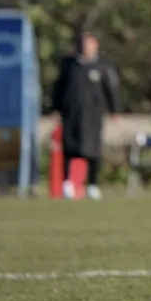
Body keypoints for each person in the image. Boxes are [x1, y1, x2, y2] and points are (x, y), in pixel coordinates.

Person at [51, 29, 120, 200]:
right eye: (83, 43)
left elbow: (111, 90)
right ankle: (67, 184)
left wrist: (115, 110)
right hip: (71, 114)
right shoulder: (69, 65)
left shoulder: (102, 67)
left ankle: (93, 185)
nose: (86, 47)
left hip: (93, 116)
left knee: (93, 151)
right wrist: (56, 108)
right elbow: (58, 88)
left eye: (89, 43)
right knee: (69, 149)